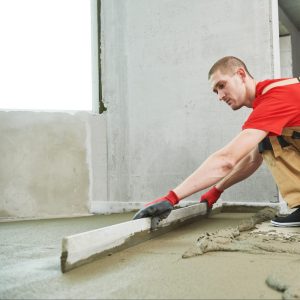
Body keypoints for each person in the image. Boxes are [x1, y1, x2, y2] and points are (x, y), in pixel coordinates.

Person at [133, 56, 300, 227]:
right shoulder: (269, 100)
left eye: (222, 85)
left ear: (241, 75)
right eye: (216, 91)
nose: (220, 96)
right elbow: (251, 160)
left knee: (271, 140)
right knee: (268, 140)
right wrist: (216, 190)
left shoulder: (276, 97)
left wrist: (171, 198)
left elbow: (226, 161)